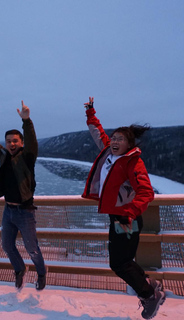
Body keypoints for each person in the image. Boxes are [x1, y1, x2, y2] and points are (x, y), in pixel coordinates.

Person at [81, 97, 165, 319]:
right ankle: (149, 284)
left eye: (120, 139)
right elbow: (98, 134)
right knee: (124, 261)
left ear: (130, 144)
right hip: (117, 217)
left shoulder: (132, 162)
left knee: (118, 263)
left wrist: (129, 212)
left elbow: (147, 192)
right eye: (114, 138)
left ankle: (149, 294)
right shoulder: (110, 153)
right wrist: (91, 113)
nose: (115, 141)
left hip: (126, 219)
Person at [0, 101, 46, 291]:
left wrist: (26, 120)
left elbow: (32, 141)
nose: (11, 144)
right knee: (7, 246)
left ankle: (42, 272)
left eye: (15, 141)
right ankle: (20, 269)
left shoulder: (28, 156)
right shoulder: (3, 156)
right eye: (8, 141)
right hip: (8, 211)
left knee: (32, 248)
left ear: (21, 143)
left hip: (25, 212)